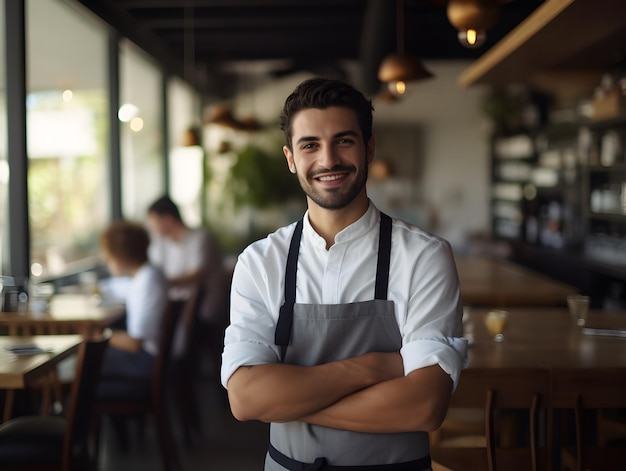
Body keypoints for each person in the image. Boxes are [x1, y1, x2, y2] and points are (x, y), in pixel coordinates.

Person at [221, 77, 468, 470]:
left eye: (344, 140)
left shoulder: (424, 256)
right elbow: (246, 399)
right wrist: (374, 367)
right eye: (310, 145)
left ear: (369, 148)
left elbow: (424, 406)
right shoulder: (259, 262)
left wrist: (289, 403)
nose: (328, 159)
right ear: (291, 158)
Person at [147, 195, 228, 367]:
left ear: (167, 219)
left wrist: (161, 283)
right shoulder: (161, 243)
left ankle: (164, 371)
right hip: (177, 309)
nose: (152, 228)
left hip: (204, 312)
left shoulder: (202, 238)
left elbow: (198, 275)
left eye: (153, 222)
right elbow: (152, 270)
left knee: (151, 330)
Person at [97, 220, 168, 395]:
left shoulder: (146, 282)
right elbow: (119, 286)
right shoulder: (147, 275)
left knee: (84, 361)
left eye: (109, 256)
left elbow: (134, 343)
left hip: (146, 360)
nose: (106, 260)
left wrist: (97, 334)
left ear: (122, 255)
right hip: (156, 356)